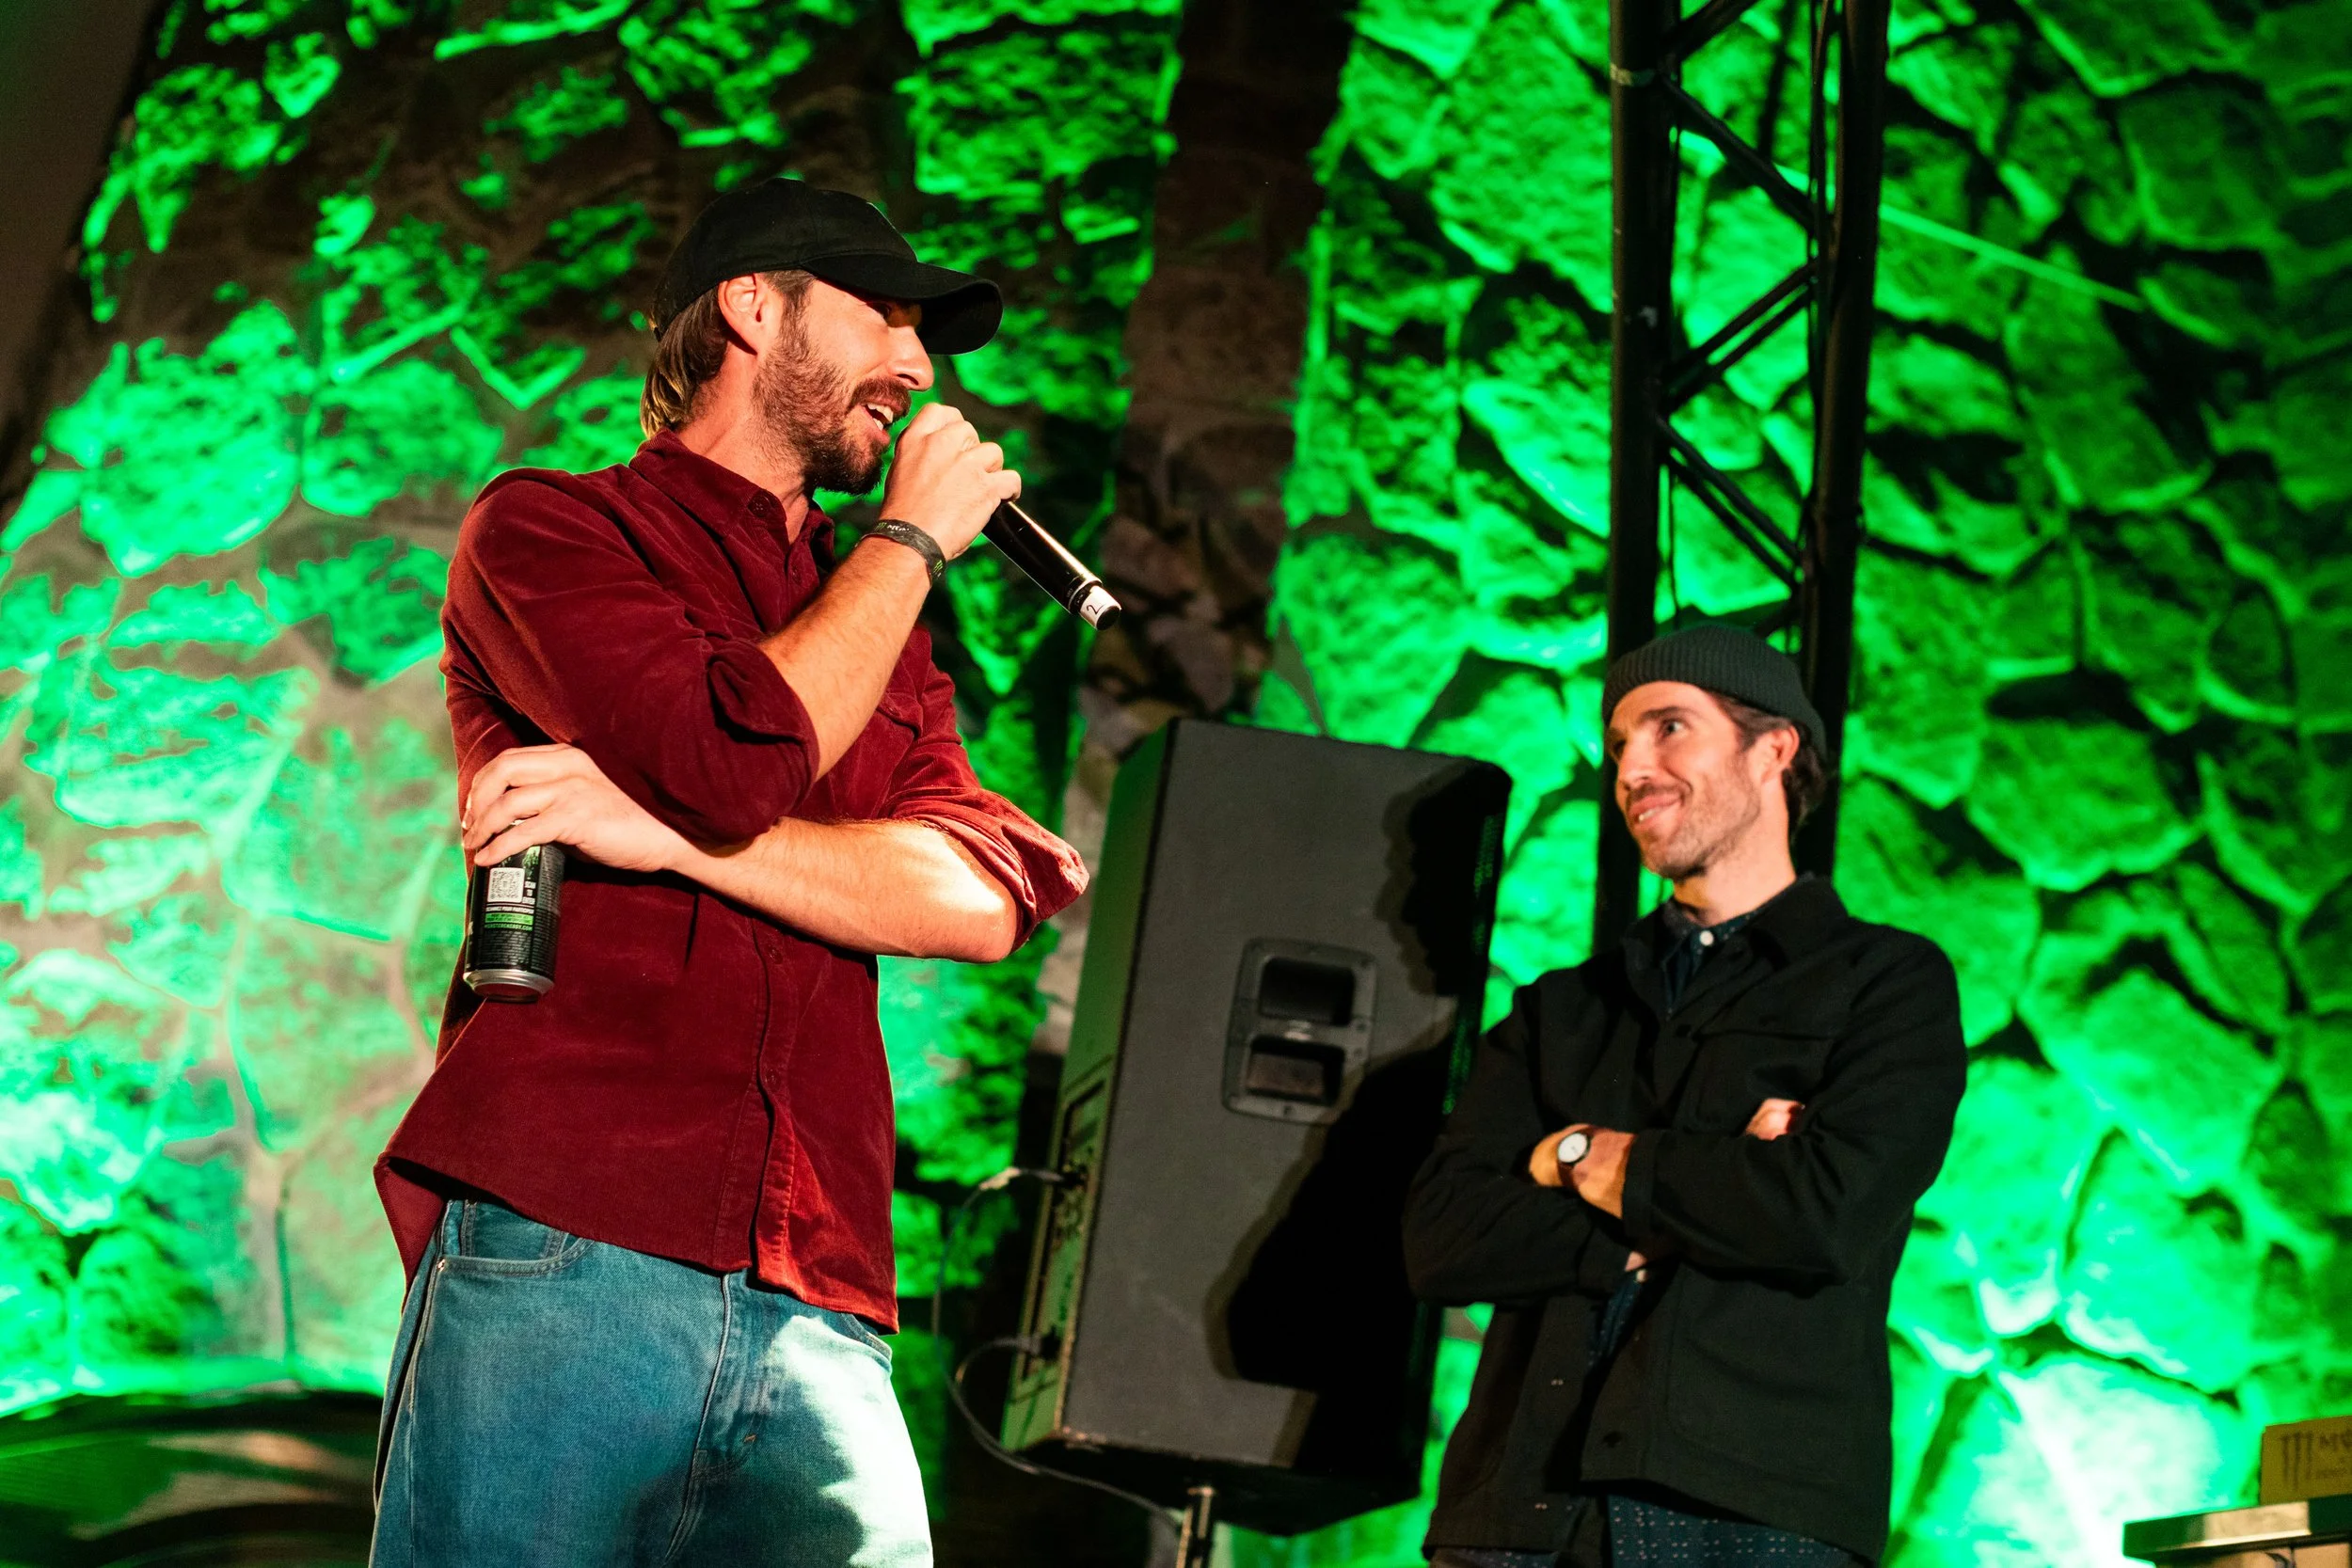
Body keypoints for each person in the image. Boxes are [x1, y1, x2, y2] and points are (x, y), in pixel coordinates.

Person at [367, 180, 1088, 1568]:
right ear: (757, 305)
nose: (922, 367)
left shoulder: (885, 634)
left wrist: (668, 835)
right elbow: (727, 757)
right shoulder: (551, 531)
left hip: (823, 1294)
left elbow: (982, 894)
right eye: (887, 314)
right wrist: (911, 541)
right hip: (571, 1239)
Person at [1405, 623, 1966, 1568]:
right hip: (1515, 1515)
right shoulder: (1562, 1008)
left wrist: (1579, 1158)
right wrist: (1693, 1190)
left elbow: (1825, 1209)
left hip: (1746, 1518)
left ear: (1773, 749)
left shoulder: (1886, 981)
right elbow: (1439, 1236)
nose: (1633, 766)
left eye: (1669, 727)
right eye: (1620, 740)